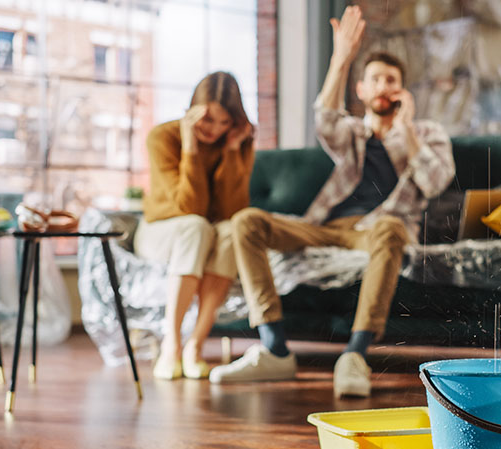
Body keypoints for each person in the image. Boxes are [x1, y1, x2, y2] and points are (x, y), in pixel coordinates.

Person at [209, 6, 455, 397]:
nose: (382, 86)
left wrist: (406, 128)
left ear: (403, 91)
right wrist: (341, 58)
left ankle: (354, 355)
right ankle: (273, 347)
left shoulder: (427, 133)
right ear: (361, 90)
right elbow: (325, 118)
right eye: (374, 79)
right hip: (325, 227)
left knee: (391, 227)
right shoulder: (352, 133)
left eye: (390, 80)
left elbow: (434, 182)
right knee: (246, 222)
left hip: (378, 232)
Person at [135, 72, 254, 380]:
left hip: (207, 233)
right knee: (195, 226)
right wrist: (190, 147)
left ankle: (195, 346)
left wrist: (231, 151)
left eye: (224, 122)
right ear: (191, 111)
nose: (214, 130)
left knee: (231, 231)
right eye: (207, 120)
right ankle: (171, 345)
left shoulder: (236, 141)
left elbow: (232, 210)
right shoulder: (162, 137)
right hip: (161, 233)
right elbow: (190, 207)